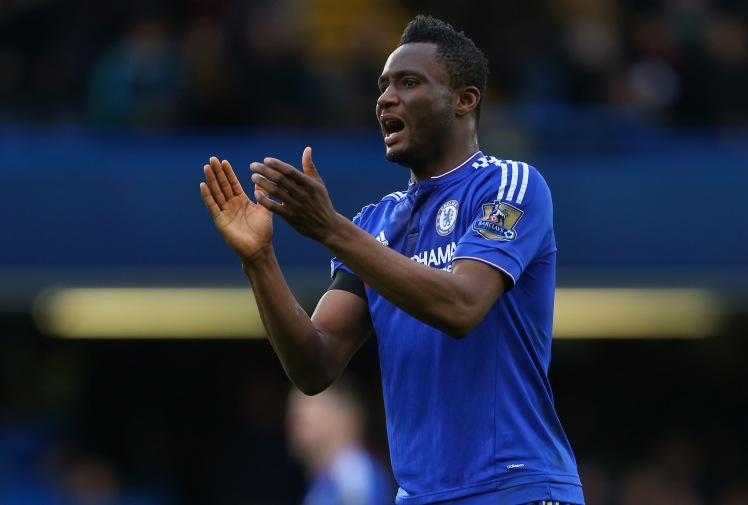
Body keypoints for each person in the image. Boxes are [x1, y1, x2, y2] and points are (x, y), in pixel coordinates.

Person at [200, 14, 585, 505]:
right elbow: (314, 365)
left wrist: (331, 229)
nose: (385, 98)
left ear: (465, 100)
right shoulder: (374, 225)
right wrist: (259, 259)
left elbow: (462, 305)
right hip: (421, 497)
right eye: (383, 85)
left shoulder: (510, 185)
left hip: (516, 489)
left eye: (408, 83)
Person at [286, 373, 396, 505]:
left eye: (304, 420)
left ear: (347, 418)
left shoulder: (353, 476)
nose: (293, 417)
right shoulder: (325, 481)